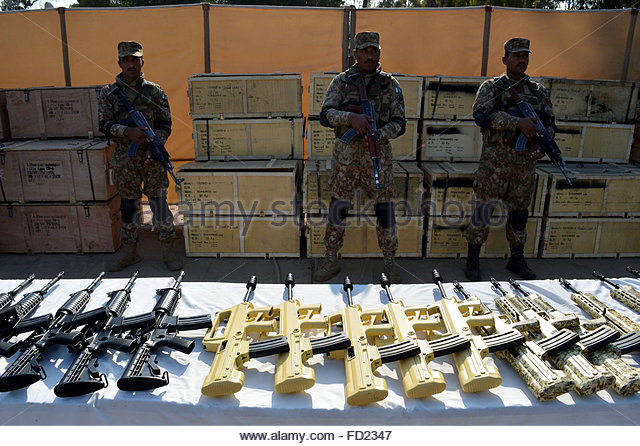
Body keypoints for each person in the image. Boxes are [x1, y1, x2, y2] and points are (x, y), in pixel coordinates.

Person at [313, 31, 406, 283]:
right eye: (364, 50)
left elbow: (400, 123)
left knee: (385, 211)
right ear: (355, 53)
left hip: (378, 159)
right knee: (338, 208)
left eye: (374, 50)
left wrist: (380, 133)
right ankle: (331, 258)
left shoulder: (391, 85)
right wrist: (350, 119)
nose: (369, 55)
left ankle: (390, 263)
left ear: (379, 53)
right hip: (346, 157)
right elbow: (325, 115)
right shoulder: (342, 82)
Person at [465, 37, 555, 281]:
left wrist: (542, 146)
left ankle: (516, 259)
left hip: (524, 165)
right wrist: (517, 123)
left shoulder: (538, 92)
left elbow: (549, 125)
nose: (522, 60)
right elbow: (481, 116)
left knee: (519, 214)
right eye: (517, 56)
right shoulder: (492, 88)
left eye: (525, 55)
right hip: (495, 164)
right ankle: (473, 259)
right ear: (505, 59)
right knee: (483, 211)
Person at [99, 41, 182, 272]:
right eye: (126, 60)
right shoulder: (108, 93)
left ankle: (168, 248)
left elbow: (166, 123)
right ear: (119, 63)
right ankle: (130, 250)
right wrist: (128, 132)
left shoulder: (154, 91)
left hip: (152, 159)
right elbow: (104, 125)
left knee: (159, 203)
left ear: (142, 61)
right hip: (125, 159)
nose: (131, 64)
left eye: (135, 59)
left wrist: (154, 144)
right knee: (129, 205)